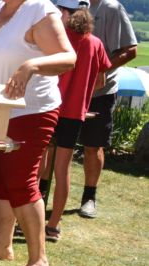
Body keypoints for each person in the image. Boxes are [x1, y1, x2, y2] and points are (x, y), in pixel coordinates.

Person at [0, 0, 76, 266]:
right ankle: (3, 247)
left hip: (30, 111)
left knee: (20, 181)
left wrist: (30, 65)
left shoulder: (39, 10)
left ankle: (39, 260)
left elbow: (68, 57)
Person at [38, 0, 111, 241]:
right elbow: (101, 82)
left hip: (48, 107)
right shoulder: (95, 43)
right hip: (74, 114)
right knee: (63, 170)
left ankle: (26, 221)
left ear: (63, 11)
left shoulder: (57, 38)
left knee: (39, 166)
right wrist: (81, 92)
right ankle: (53, 225)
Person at [79, 0, 138, 218]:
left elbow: (130, 51)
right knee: (53, 145)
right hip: (67, 89)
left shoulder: (111, 8)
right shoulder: (71, 4)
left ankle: (89, 197)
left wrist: (99, 69)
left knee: (92, 146)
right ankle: (40, 193)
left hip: (100, 92)